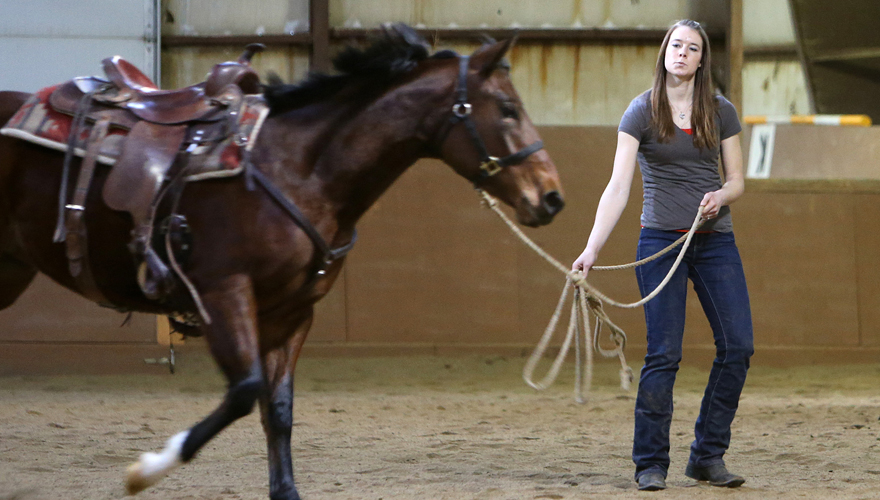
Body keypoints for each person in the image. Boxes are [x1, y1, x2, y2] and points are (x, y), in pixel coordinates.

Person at [571, 19, 754, 491]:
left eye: (692, 49)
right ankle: (650, 463)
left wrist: (722, 196)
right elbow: (617, 187)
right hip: (659, 243)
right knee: (664, 353)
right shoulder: (640, 111)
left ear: (700, 59)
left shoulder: (721, 110)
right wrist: (591, 249)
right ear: (664, 51)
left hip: (715, 242)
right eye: (677, 45)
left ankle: (707, 456)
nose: (683, 54)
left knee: (738, 347)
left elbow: (736, 180)